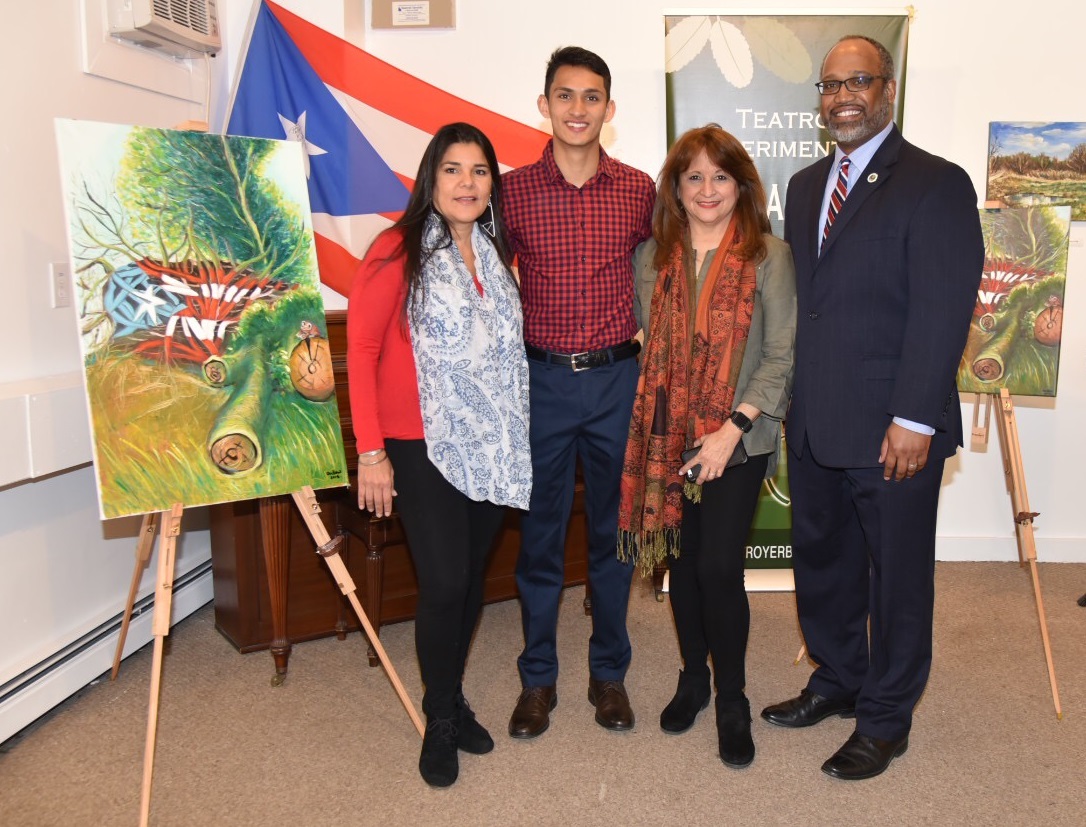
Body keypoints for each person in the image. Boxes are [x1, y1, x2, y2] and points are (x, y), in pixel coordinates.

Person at [760, 35, 984, 780]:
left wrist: (917, 416)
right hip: (818, 421)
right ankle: (838, 678)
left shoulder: (936, 183)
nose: (843, 97)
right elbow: (807, 308)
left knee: (897, 579)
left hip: (895, 428)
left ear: (888, 88)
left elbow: (943, 308)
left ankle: (886, 717)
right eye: (830, 86)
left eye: (858, 81)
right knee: (823, 564)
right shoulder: (802, 185)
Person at [347, 122, 532, 788]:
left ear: (492, 184)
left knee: (473, 579)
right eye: (452, 169)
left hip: (491, 442)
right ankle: (439, 718)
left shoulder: (495, 249)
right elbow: (362, 351)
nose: (467, 183)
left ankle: (452, 693)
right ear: (431, 178)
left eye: (479, 171)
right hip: (418, 442)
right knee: (446, 582)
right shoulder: (395, 249)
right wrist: (372, 452)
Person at [618, 125, 796, 768]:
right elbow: (649, 342)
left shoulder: (769, 256)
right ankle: (694, 676)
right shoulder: (652, 258)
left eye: (720, 176)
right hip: (670, 435)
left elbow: (781, 355)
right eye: (693, 177)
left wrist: (731, 429)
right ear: (676, 188)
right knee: (685, 566)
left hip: (739, 439)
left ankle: (733, 697)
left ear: (742, 186)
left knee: (719, 567)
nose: (707, 189)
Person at [502, 46, 655, 738]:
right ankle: (538, 679)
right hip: (541, 383)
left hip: (617, 379)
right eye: (564, 96)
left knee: (613, 535)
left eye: (591, 97)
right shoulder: (510, 191)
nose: (577, 109)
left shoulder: (637, 189)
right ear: (543, 105)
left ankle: (609, 673)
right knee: (538, 538)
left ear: (610, 111)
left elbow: (660, 276)